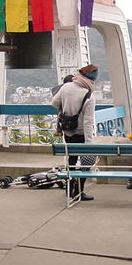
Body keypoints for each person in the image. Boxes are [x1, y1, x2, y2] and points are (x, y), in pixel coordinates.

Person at [53, 64, 98, 201]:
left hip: (68, 131)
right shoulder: (89, 95)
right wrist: (89, 143)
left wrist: (66, 108)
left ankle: (69, 188)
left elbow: (54, 102)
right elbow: (88, 121)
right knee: (85, 162)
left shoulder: (66, 87)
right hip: (81, 133)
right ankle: (78, 191)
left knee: (71, 160)